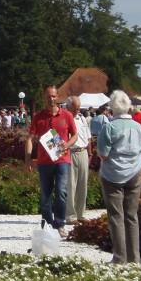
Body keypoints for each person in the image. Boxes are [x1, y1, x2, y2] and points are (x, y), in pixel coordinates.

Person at [97, 90, 141, 264]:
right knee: (131, 216)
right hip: (134, 172)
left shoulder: (109, 127)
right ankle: (134, 258)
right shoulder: (138, 127)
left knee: (116, 216)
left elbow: (103, 153)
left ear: (112, 107)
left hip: (113, 174)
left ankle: (120, 257)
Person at [24, 85, 77, 238]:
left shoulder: (66, 115)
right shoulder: (38, 117)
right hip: (44, 161)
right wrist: (28, 159)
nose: (51, 99)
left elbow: (74, 135)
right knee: (45, 196)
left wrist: (67, 144)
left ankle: (60, 223)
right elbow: (30, 138)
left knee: (61, 191)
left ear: (57, 96)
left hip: (62, 159)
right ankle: (47, 224)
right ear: (43, 98)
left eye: (53, 96)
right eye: (48, 96)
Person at [64, 96, 91, 225]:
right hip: (70, 152)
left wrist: (90, 153)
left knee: (82, 184)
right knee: (71, 185)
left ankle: (81, 214)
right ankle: (70, 215)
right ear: (68, 107)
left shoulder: (82, 118)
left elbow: (88, 136)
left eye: (78, 109)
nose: (77, 111)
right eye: (74, 109)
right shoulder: (63, 118)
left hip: (83, 152)